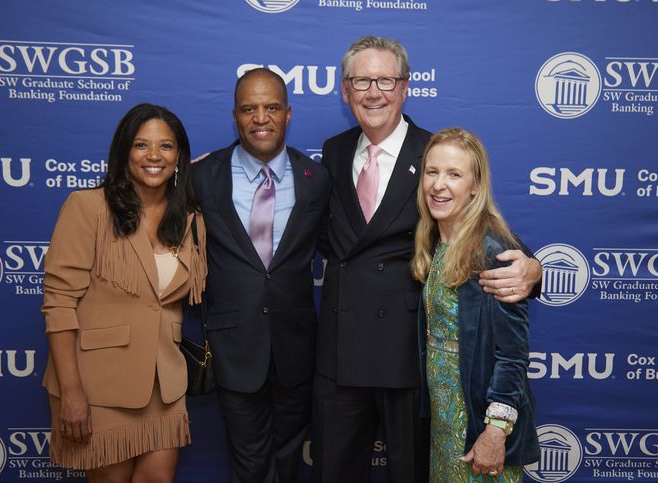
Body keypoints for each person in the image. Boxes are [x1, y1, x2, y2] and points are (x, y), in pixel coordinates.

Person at [311, 36, 543, 483]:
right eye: (361, 81)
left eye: (385, 80)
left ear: (405, 87)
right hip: (339, 354)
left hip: (407, 358)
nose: (373, 91)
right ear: (345, 90)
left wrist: (534, 269)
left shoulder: (434, 153)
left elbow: (486, 232)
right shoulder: (335, 151)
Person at [41, 103, 207, 482]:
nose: (153, 156)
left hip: (164, 386)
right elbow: (59, 303)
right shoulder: (89, 208)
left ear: (179, 155)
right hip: (99, 385)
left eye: (165, 146)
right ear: (123, 152)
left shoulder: (190, 220)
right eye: (141, 145)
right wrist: (72, 392)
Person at [191, 68, 329, 483]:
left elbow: (347, 246)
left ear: (289, 113)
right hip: (234, 347)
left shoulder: (316, 178)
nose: (260, 118)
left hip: (296, 347)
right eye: (249, 109)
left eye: (271, 107)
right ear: (234, 116)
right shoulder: (202, 176)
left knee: (288, 460)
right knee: (249, 463)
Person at [412, 127, 540, 481]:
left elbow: (512, 355)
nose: (439, 185)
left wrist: (495, 432)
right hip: (445, 421)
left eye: (454, 174)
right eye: (432, 172)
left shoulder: (493, 251)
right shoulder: (436, 240)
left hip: (479, 425)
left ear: (475, 185)